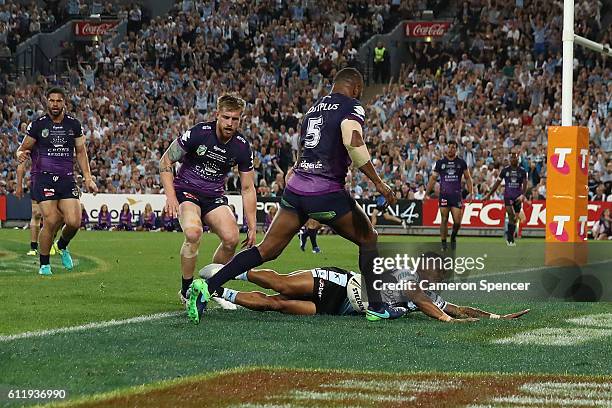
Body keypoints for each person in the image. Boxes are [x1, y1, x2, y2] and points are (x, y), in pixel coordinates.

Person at [187, 67, 402, 324]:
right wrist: (378, 183)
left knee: (266, 249)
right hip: (325, 191)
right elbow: (353, 142)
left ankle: (206, 287)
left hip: (296, 190)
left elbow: (307, 149)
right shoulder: (352, 106)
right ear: (355, 88)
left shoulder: (313, 110)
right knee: (369, 238)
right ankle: (377, 307)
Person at [159, 94, 257, 306]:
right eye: (226, 117)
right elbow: (166, 160)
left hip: (213, 196)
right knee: (193, 233)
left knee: (231, 238)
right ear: (217, 115)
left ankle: (210, 287)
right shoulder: (199, 133)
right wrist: (170, 196)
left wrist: (251, 224)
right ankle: (186, 292)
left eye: (235, 119)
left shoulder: (241, 147)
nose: (230, 123)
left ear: (241, 119)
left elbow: (248, 188)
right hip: (187, 191)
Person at [199, 262, 529, 321]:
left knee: (279, 306)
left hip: (337, 309)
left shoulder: (430, 296)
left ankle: (220, 294)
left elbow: (454, 308)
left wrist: (496, 316)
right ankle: (228, 272)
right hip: (339, 283)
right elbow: (429, 306)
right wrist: (445, 320)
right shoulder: (407, 278)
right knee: (282, 284)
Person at [16, 87, 97, 276]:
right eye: (51, 100)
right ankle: (44, 265)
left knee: (74, 221)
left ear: (64, 103)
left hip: (66, 178)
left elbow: (81, 152)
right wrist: (20, 155)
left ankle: (62, 245)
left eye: (58, 101)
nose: (55, 104)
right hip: (43, 178)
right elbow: (22, 149)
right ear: (47, 102)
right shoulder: (38, 125)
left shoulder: (74, 125)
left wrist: (88, 178)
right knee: (51, 220)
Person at [426, 140, 473, 251]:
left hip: (456, 195)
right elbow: (433, 178)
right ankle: (443, 243)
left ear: (456, 149)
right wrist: (427, 193)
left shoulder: (461, 163)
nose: (450, 149)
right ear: (446, 148)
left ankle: (453, 236)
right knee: (444, 219)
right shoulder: (440, 163)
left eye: (453, 147)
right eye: (449, 147)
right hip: (444, 195)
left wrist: (471, 192)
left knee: (457, 221)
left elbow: (467, 178)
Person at [483, 151, 528, 246]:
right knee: (510, 215)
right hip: (508, 196)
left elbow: (525, 185)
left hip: (518, 197)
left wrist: (523, 195)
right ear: (510, 159)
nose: (513, 159)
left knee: (515, 219)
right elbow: (497, 183)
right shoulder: (505, 170)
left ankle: (510, 238)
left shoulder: (522, 171)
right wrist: (489, 194)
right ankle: (510, 239)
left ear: (518, 159)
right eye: (511, 158)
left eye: (515, 158)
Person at [15, 160, 56, 256]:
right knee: (36, 214)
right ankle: (33, 247)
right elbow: (21, 162)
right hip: (37, 181)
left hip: (53, 180)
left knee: (51, 215)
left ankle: (51, 243)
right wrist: (19, 185)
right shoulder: (31, 144)